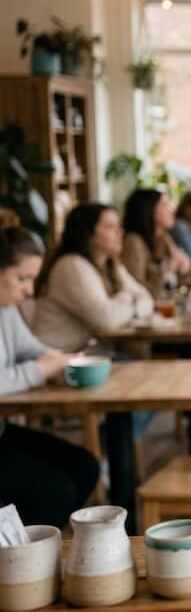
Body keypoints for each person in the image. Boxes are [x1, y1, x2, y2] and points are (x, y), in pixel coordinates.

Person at [0, 226, 100, 527]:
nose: (30, 291)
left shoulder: (6, 307)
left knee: (85, 467)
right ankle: (19, 549)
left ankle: (26, 544)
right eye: (22, 278)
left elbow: (30, 349)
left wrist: (63, 362)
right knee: (55, 493)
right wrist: (43, 369)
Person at [33, 203, 154, 353]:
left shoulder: (111, 265)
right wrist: (128, 298)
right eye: (110, 227)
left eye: (119, 226)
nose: (120, 232)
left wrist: (128, 306)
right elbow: (106, 319)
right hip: (60, 358)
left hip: (89, 356)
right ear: (87, 233)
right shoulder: (72, 265)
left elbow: (147, 298)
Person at [120, 189, 191, 295]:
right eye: (165, 205)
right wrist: (169, 269)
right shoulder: (133, 242)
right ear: (148, 209)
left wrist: (184, 268)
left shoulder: (163, 238)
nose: (172, 209)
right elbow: (137, 290)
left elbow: (178, 288)